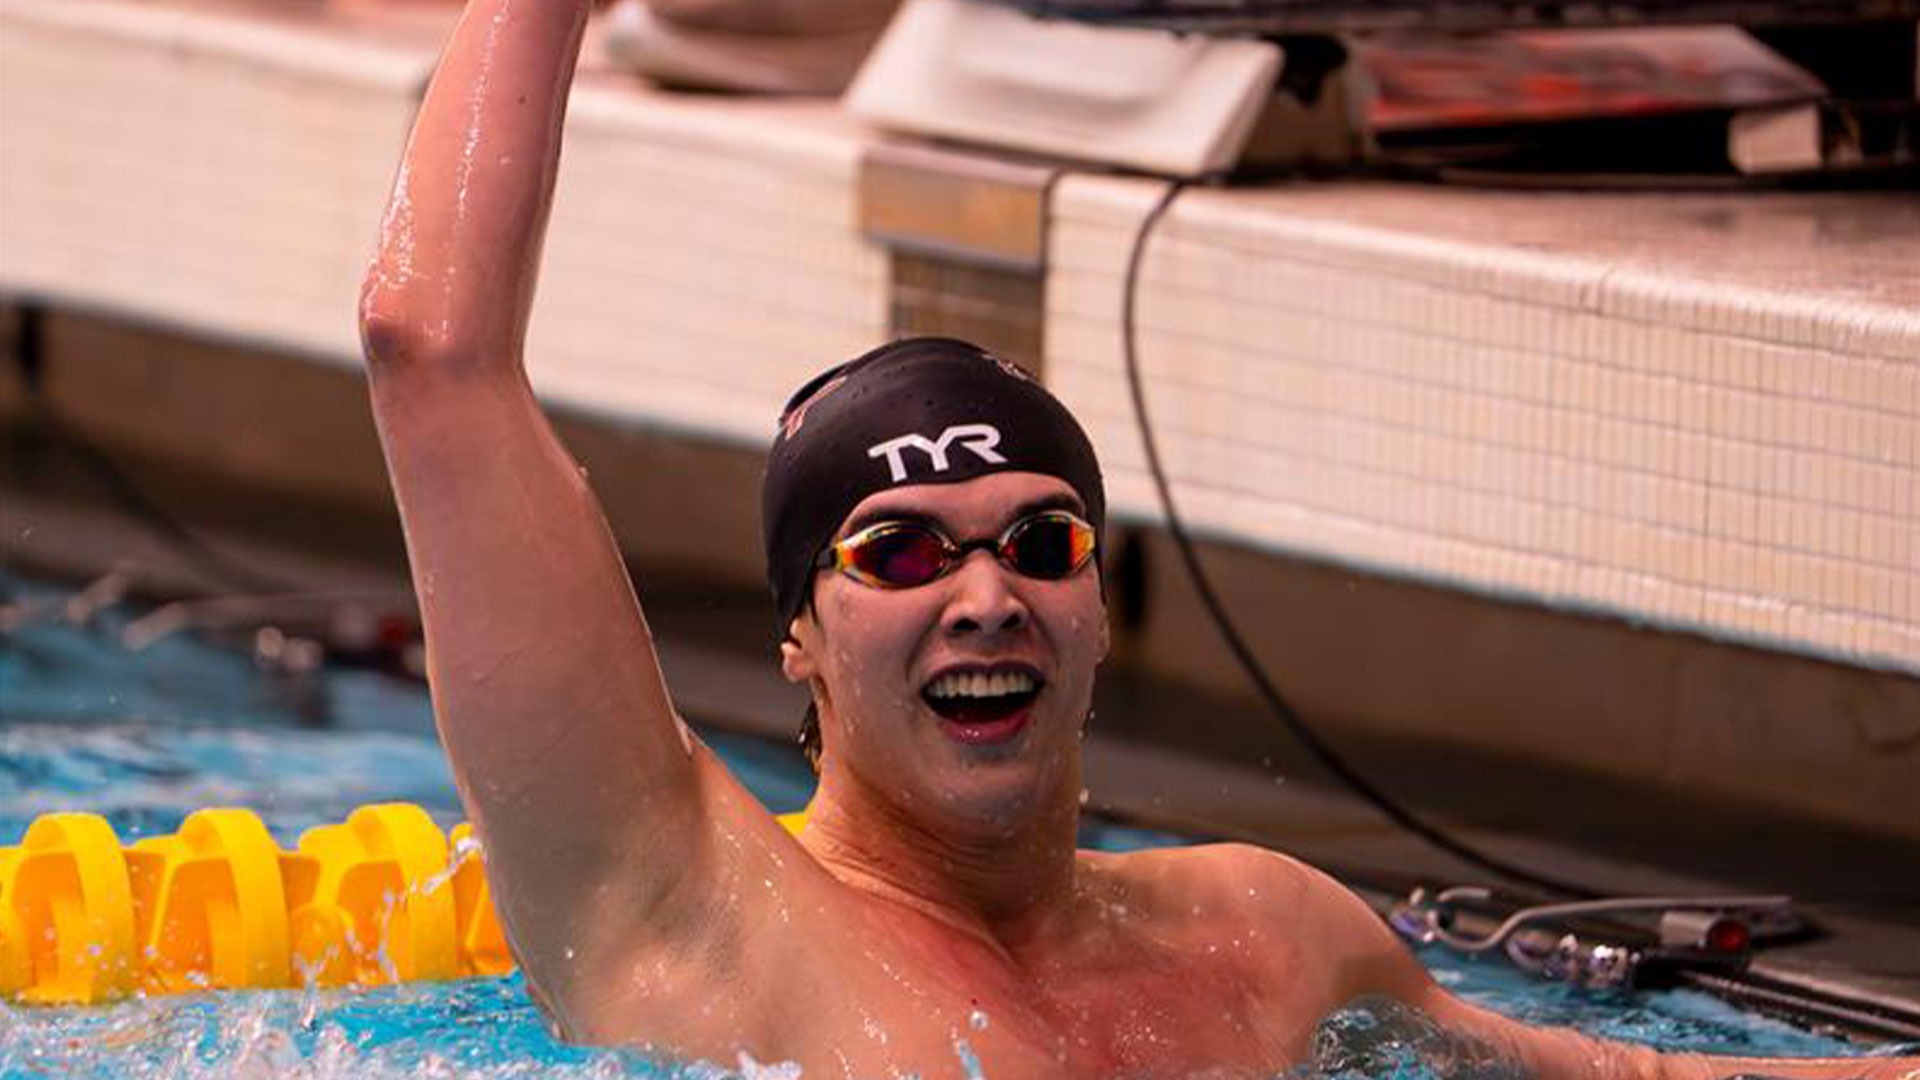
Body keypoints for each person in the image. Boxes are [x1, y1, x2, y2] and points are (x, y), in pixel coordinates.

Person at [356, 0, 1911, 1076]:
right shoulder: (687, 908)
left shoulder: (1269, 934)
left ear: (1101, 610)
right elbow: (430, 345)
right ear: (799, 640)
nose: (985, 596)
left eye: (1041, 542)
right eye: (898, 553)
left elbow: (1622, 1078)